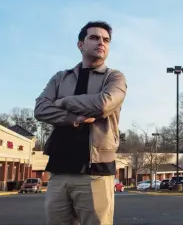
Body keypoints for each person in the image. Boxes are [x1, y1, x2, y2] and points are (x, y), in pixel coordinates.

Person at [34, 21, 127, 225]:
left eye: (106, 40)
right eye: (94, 38)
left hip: (95, 172)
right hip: (59, 171)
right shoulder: (61, 78)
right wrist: (73, 118)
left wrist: (62, 102)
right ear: (80, 45)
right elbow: (40, 109)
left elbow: (102, 104)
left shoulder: (115, 78)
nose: (101, 42)